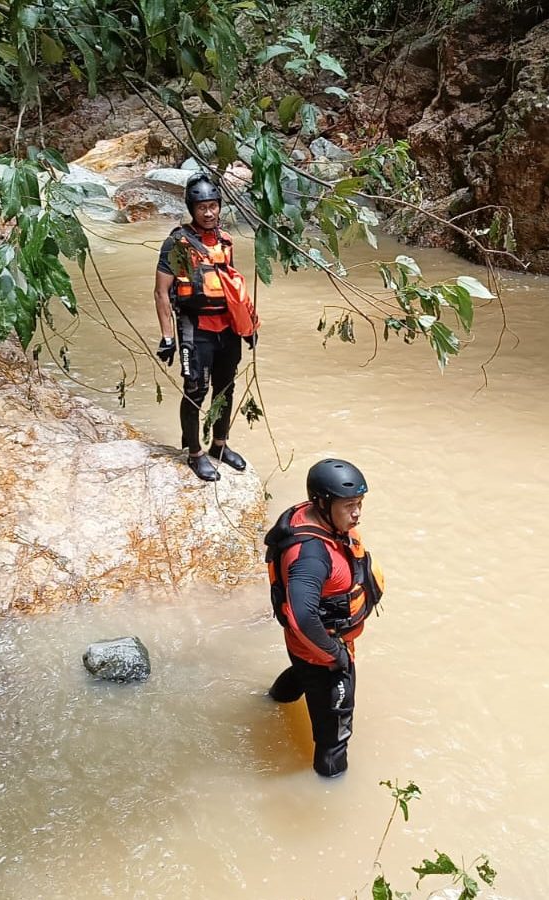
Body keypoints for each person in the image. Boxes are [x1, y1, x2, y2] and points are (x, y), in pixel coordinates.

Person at [265, 459, 385, 778]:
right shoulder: (311, 557)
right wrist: (335, 656)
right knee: (335, 737)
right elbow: (301, 616)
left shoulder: (319, 519)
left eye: (359, 504)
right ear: (323, 503)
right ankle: (330, 783)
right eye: (349, 506)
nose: (357, 513)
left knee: (304, 674)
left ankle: (269, 703)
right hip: (322, 651)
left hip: (306, 650)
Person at [153, 173, 258, 482]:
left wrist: (248, 326)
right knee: (195, 391)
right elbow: (161, 292)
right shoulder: (177, 243)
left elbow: (231, 287)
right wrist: (167, 337)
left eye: (213, 206)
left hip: (226, 329)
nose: (209, 213)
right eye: (202, 207)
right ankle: (195, 453)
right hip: (195, 327)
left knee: (225, 388)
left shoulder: (225, 241)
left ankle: (220, 446)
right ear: (191, 208)